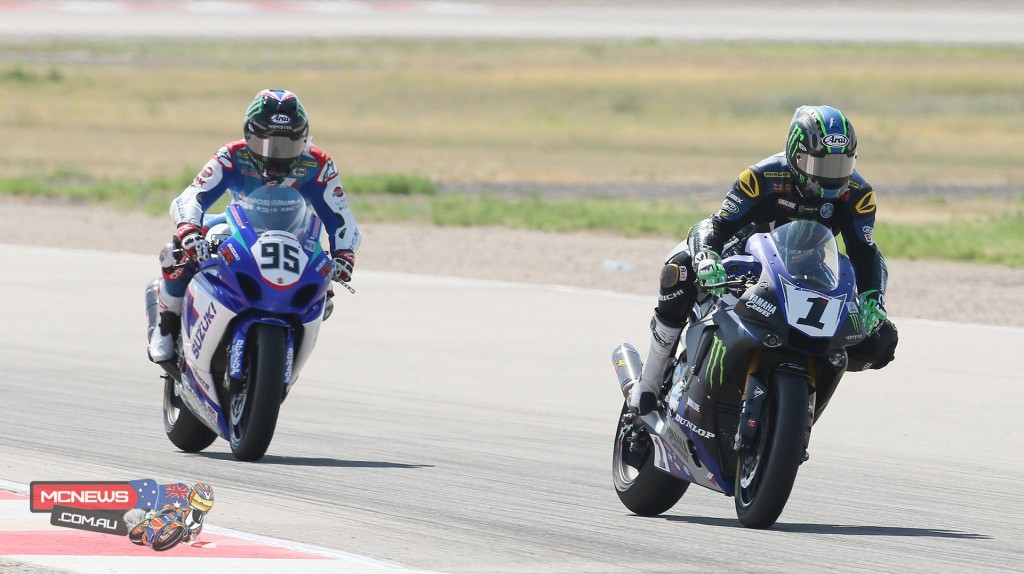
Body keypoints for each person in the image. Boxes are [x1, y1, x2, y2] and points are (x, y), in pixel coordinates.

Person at [627, 105, 898, 414]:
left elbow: (865, 252)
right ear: (796, 155)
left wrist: (873, 298)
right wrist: (706, 257)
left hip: (809, 267)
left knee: (880, 340)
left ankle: (801, 409)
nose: (831, 176)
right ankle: (649, 380)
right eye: (820, 164)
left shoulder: (858, 194)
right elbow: (717, 225)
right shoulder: (761, 177)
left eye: (841, 165)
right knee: (679, 269)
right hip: (744, 256)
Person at [147, 88, 361, 363]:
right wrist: (188, 228)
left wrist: (344, 254)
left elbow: (340, 216)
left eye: (288, 145)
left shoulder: (318, 164)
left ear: (304, 139)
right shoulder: (231, 155)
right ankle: (166, 326)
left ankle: (289, 348)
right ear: (250, 137)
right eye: (268, 145)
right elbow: (193, 195)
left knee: (325, 291)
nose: (277, 156)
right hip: (239, 225)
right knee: (177, 252)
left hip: (295, 233)